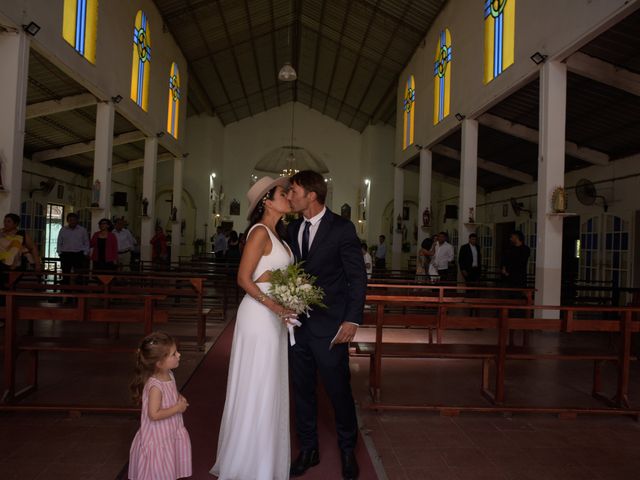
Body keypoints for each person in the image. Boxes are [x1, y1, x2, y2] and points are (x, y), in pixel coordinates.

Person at [211, 176, 294, 480]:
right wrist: (275, 305)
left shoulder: (280, 234)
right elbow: (244, 279)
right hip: (259, 316)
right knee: (257, 383)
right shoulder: (260, 231)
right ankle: (248, 463)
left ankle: (266, 460)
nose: (288, 197)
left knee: (270, 383)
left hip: (274, 316)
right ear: (267, 202)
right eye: (282, 193)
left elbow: (273, 275)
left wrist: (291, 295)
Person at [286, 170, 366, 480]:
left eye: (294, 191)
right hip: (298, 326)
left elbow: (357, 277)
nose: (290, 196)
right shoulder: (292, 229)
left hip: (332, 326)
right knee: (302, 391)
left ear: (311, 195)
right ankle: (309, 449)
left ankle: (348, 450)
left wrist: (352, 319)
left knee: (338, 391)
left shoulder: (342, 229)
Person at [128, 331, 192, 480]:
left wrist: (179, 397)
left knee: (167, 466)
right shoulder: (155, 387)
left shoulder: (169, 374)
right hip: (157, 436)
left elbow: (172, 392)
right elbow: (154, 414)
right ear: (159, 363)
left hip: (169, 431)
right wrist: (177, 408)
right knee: (157, 471)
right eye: (174, 354)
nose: (179, 355)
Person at [56, 212, 89, 286]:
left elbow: (86, 242)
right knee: (65, 273)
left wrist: (85, 253)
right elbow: (59, 242)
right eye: (70, 220)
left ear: (77, 220)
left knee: (79, 274)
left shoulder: (82, 230)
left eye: (74, 220)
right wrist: (60, 253)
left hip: (78, 254)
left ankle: (78, 291)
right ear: (68, 221)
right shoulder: (63, 230)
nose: (72, 221)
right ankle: (66, 291)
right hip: (66, 254)